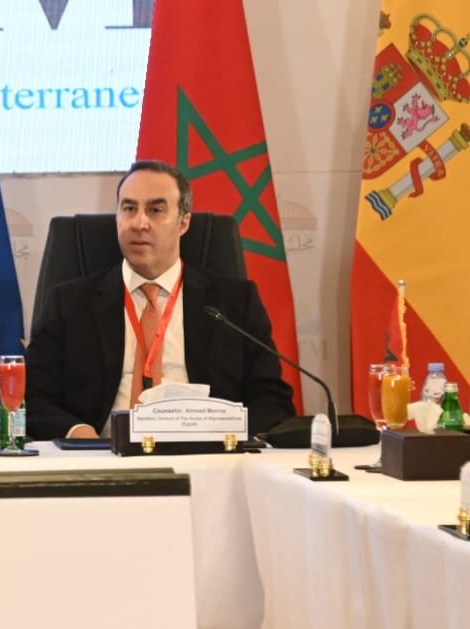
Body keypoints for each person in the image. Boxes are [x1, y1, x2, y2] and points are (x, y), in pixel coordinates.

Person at [25, 160, 295, 439]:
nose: (139, 223)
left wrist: (225, 435)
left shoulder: (233, 304)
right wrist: (77, 433)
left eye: (155, 210)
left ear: (183, 223)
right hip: (101, 455)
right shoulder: (69, 303)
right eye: (129, 209)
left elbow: (272, 399)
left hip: (205, 455)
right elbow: (31, 397)